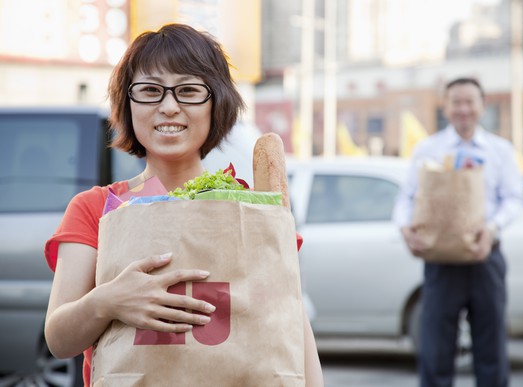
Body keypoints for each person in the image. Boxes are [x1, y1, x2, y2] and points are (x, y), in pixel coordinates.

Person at [44, 23, 323, 387]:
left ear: (216, 104)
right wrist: (107, 302)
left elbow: (291, 324)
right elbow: (58, 340)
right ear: (127, 105)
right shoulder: (94, 207)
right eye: (150, 91)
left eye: (189, 90)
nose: (169, 107)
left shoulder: (252, 208)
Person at [393, 77, 523, 387]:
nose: (463, 109)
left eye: (470, 102)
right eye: (456, 102)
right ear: (446, 106)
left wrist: (492, 229)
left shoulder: (501, 150)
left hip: (486, 259)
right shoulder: (428, 149)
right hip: (441, 262)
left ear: (482, 106)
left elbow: (515, 200)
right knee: (435, 350)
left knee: (491, 351)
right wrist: (405, 229)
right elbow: (407, 197)